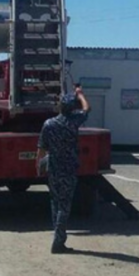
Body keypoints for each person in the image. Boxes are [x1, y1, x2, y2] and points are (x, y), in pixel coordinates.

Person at [36, 86, 90, 254]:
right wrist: (80, 94)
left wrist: (38, 166)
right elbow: (87, 109)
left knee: (55, 202)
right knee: (65, 206)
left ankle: (58, 236)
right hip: (68, 167)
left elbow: (41, 149)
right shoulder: (74, 121)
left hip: (53, 167)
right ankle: (58, 241)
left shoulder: (48, 124)